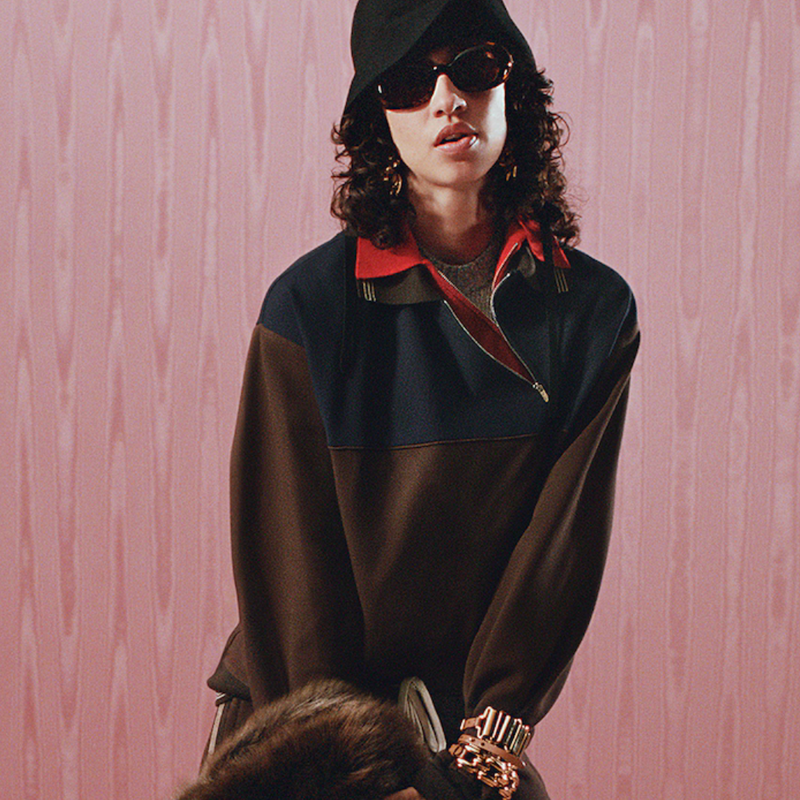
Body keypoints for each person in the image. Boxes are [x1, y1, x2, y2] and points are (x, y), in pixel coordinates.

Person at [204, 0, 639, 798]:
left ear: (514, 87)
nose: (447, 100)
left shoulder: (591, 313)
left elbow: (558, 559)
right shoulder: (308, 310)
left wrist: (477, 761)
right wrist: (349, 775)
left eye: (474, 67)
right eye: (409, 81)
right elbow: (293, 572)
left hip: (466, 742)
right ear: (377, 118)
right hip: (305, 737)